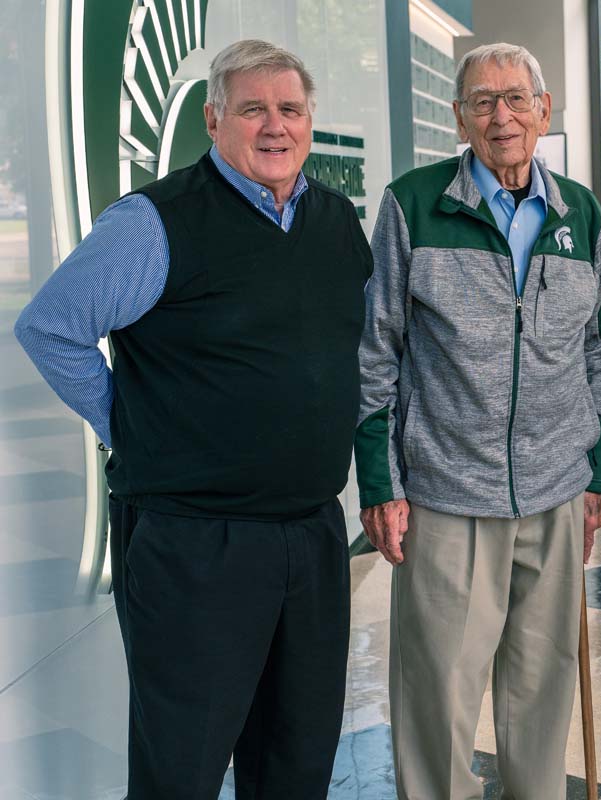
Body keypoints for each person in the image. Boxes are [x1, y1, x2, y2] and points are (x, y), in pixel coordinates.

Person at [13, 40, 371, 798]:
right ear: (213, 120)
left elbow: (350, 355)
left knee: (298, 761)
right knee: (182, 770)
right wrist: (130, 426)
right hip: (195, 542)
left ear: (309, 121)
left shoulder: (337, 221)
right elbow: (52, 327)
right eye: (252, 109)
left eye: (290, 109)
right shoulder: (156, 221)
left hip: (310, 531)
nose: (274, 126)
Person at [355, 42, 601, 800]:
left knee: (542, 693)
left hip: (555, 493)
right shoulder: (412, 204)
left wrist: (594, 476)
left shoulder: (580, 212)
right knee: (437, 699)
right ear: (459, 117)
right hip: (447, 496)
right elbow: (375, 352)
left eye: (515, 98)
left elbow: (597, 352)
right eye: (482, 101)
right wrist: (380, 483)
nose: (502, 116)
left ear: (543, 109)